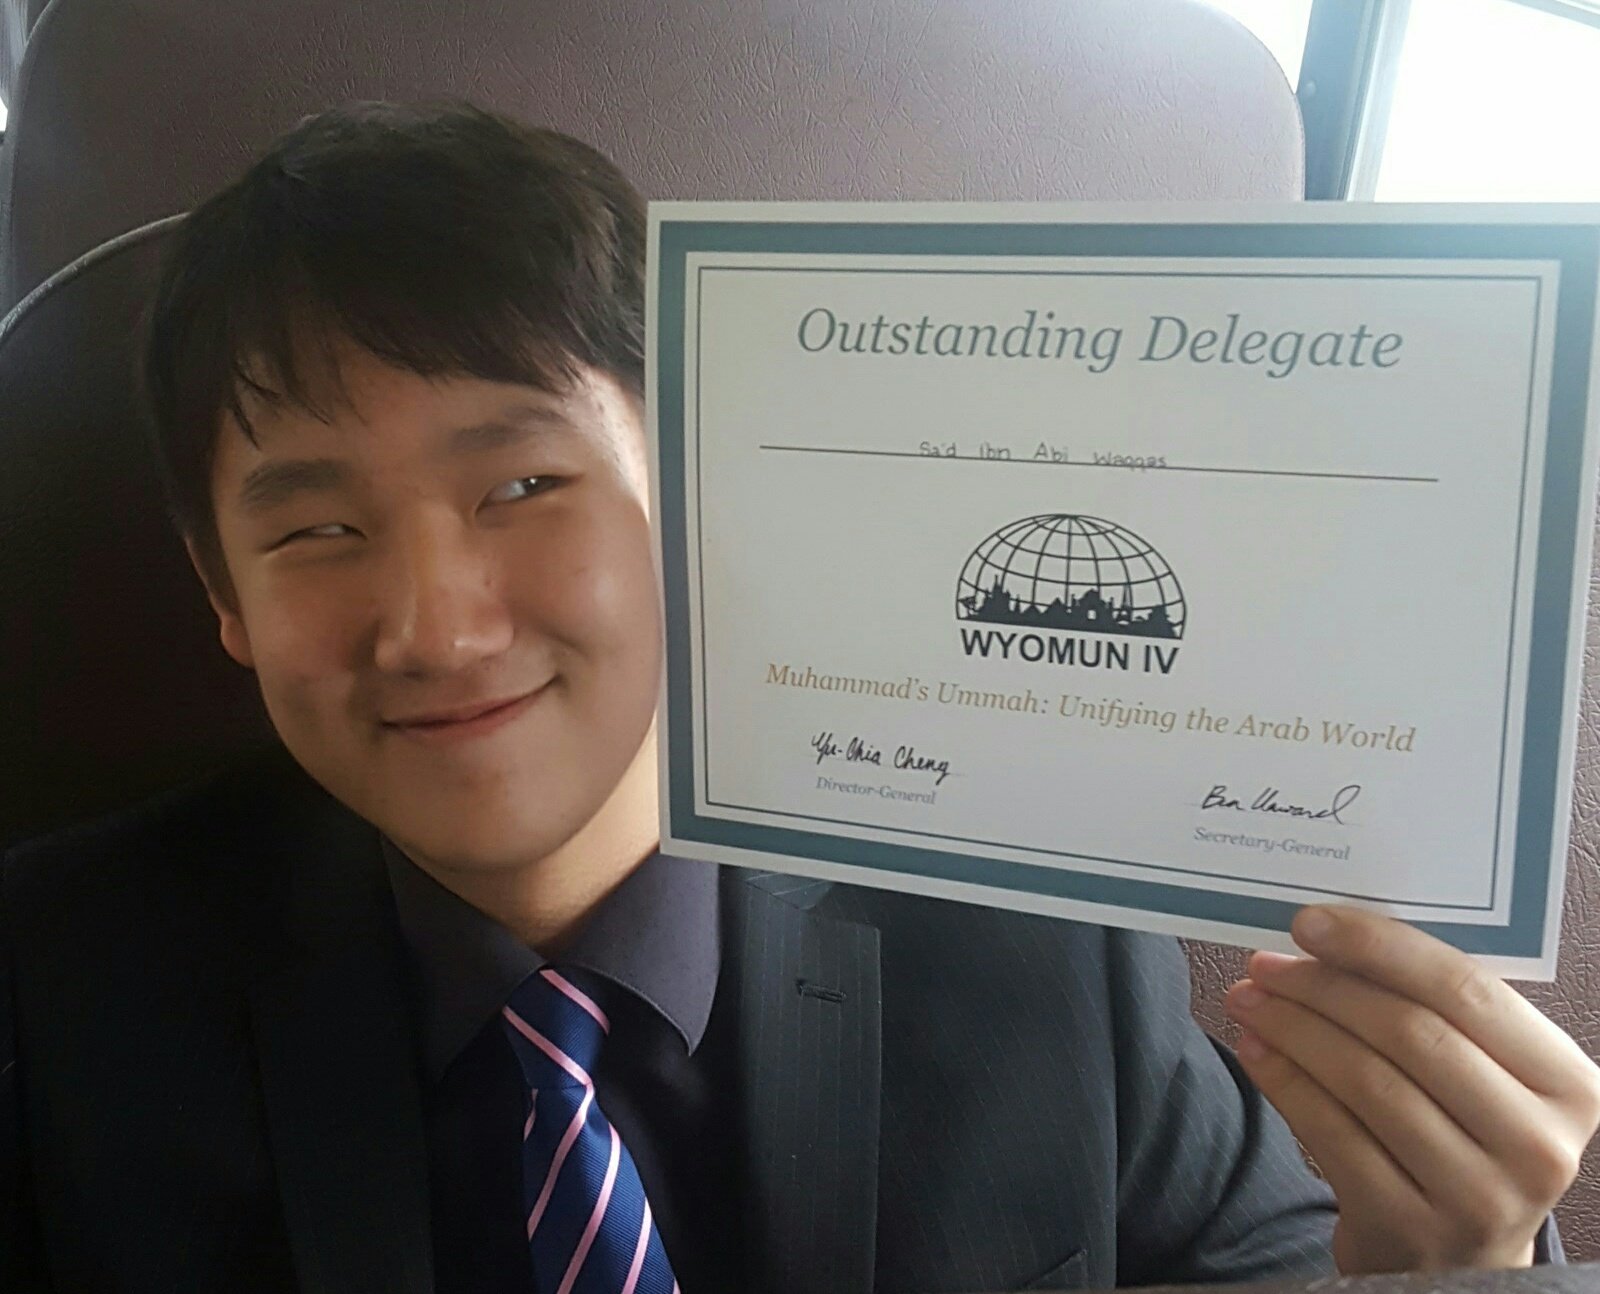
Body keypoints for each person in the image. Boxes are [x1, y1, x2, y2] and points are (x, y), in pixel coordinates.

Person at [2, 101, 1597, 1293]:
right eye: (317, 531)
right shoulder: (61, 995)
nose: (436, 627)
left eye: (526, 484)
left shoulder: (1036, 927)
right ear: (223, 594)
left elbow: (1283, 1259)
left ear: (700, 483)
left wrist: (1441, 1266)